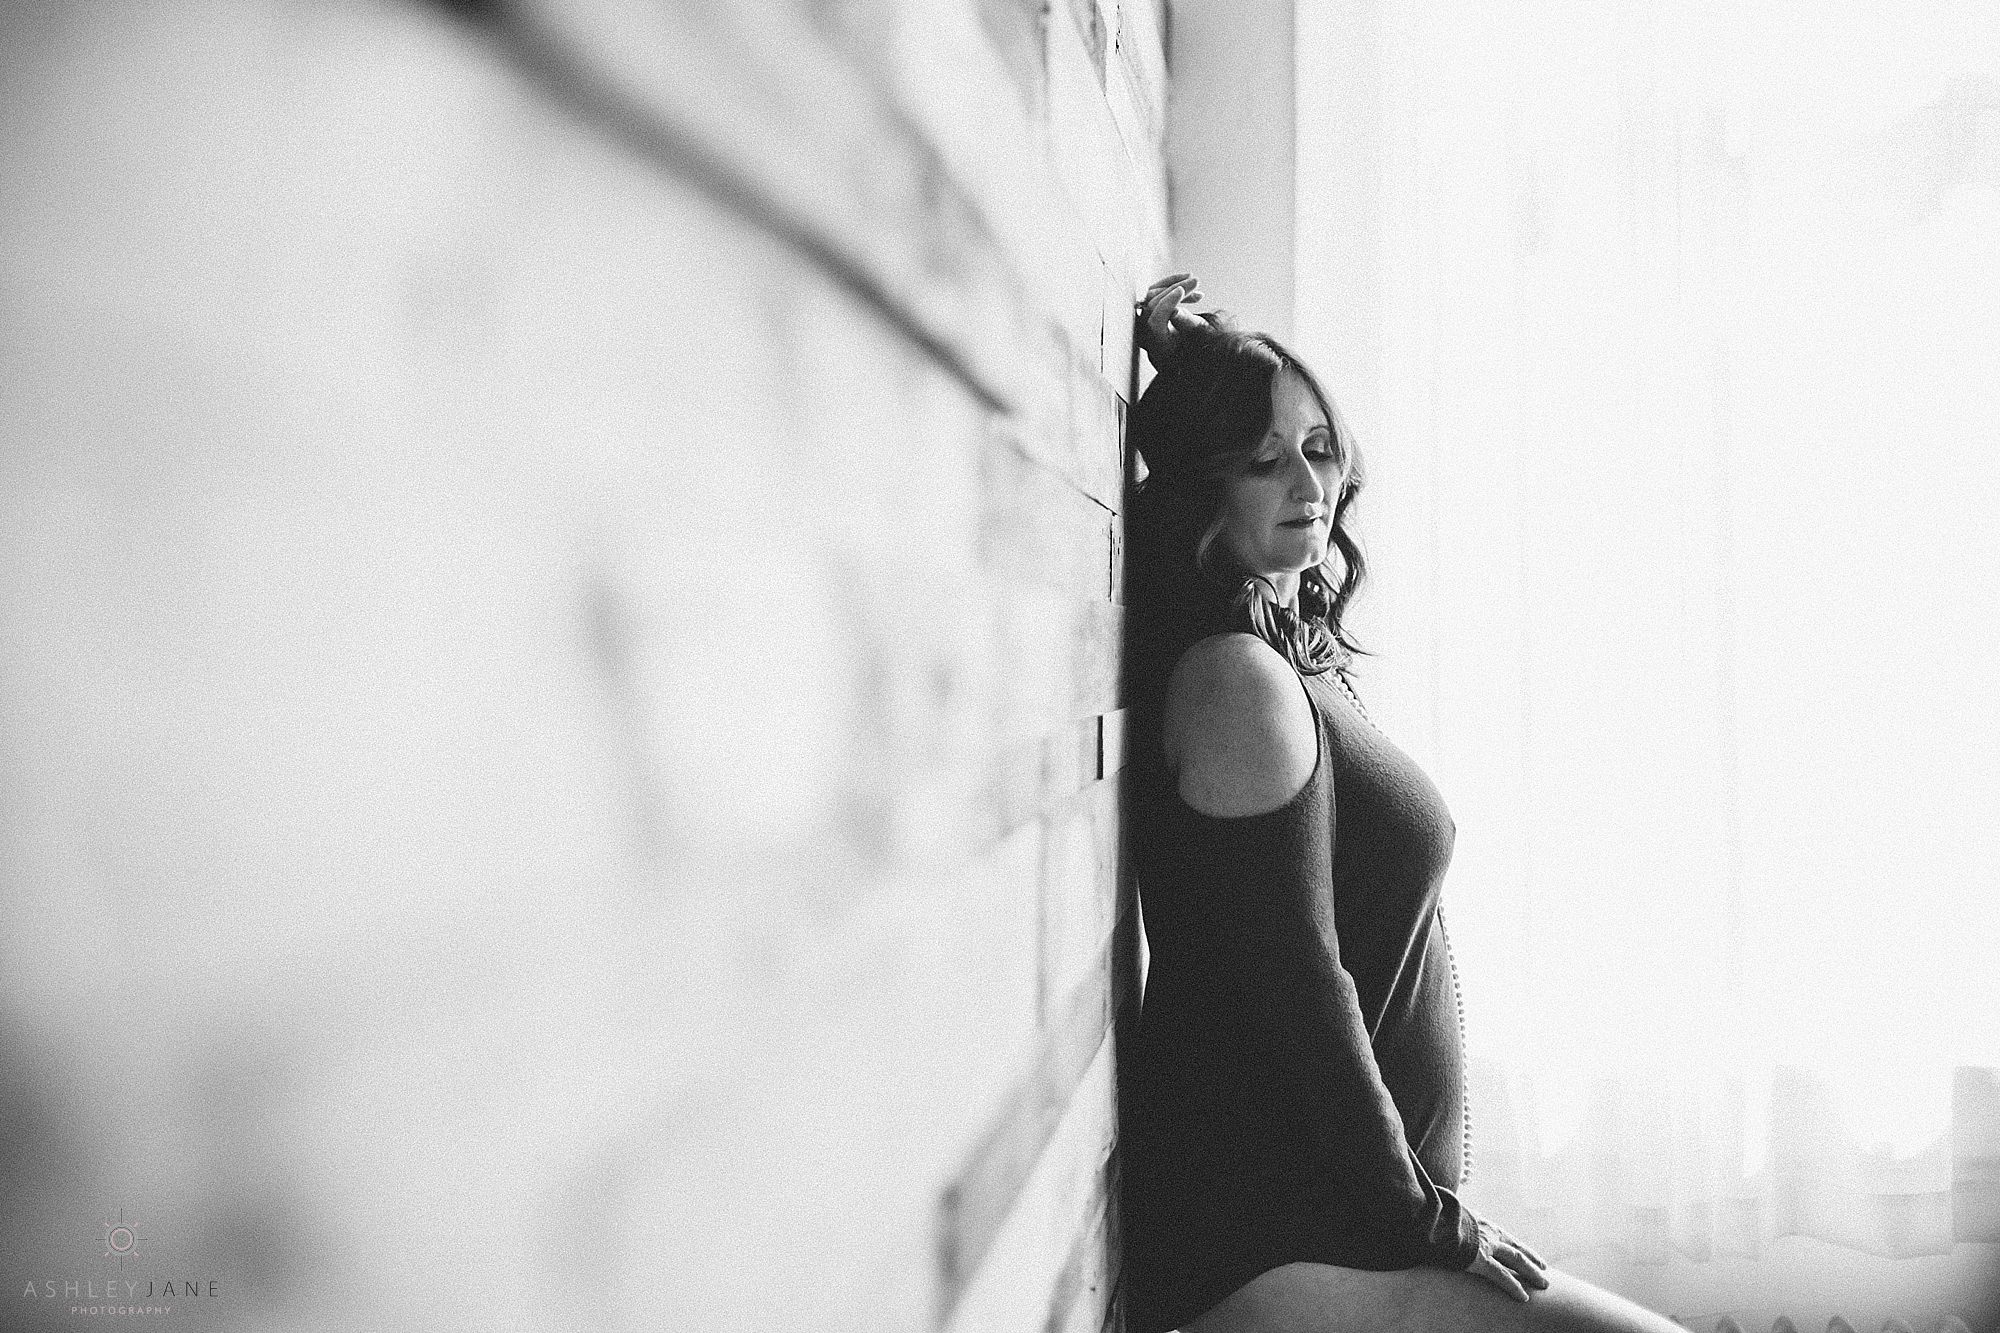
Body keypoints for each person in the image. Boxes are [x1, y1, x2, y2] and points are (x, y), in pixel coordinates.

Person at [1115, 275, 1684, 1333]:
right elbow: (1298, 998)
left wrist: (1207, 361)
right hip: (1272, 1234)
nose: (1305, 478)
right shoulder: (1234, 684)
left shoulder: (1283, 661)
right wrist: (1429, 1223)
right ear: (1200, 486)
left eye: (1319, 448)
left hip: (1337, 1215)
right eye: (1260, 456)